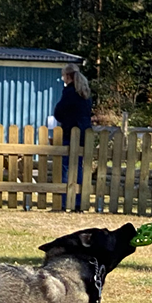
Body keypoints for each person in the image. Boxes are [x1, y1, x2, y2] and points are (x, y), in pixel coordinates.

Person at [53, 63, 92, 210]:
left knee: (66, 167)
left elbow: (59, 111)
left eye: (63, 76)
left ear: (68, 76)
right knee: (79, 168)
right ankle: (78, 202)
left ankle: (64, 202)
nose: (63, 79)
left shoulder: (69, 92)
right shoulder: (85, 93)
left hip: (70, 132)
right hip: (83, 134)